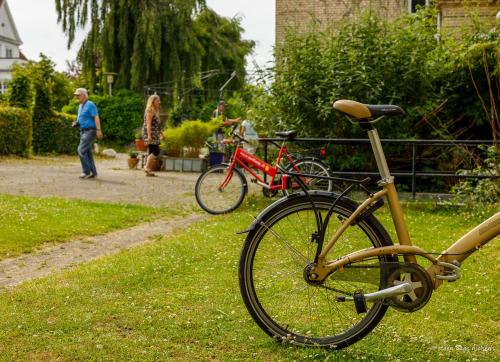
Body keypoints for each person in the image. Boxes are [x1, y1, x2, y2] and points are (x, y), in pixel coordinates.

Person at [74, 88, 103, 179]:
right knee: (87, 152)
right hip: (82, 131)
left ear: (84, 95)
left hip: (90, 131)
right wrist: (76, 123)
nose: (76, 97)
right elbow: (81, 118)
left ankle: (86, 171)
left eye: (78, 95)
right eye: (76, 95)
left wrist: (98, 130)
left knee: (81, 150)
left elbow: (96, 117)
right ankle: (93, 172)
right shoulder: (80, 105)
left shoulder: (90, 104)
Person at [142, 94, 162, 177]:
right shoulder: (150, 110)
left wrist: (161, 133)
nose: (159, 102)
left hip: (154, 133)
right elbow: (148, 124)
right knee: (156, 151)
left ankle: (148, 171)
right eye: (158, 101)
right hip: (149, 132)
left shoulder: (155, 110)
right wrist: (149, 136)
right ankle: (146, 167)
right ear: (153, 102)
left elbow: (157, 125)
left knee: (151, 151)